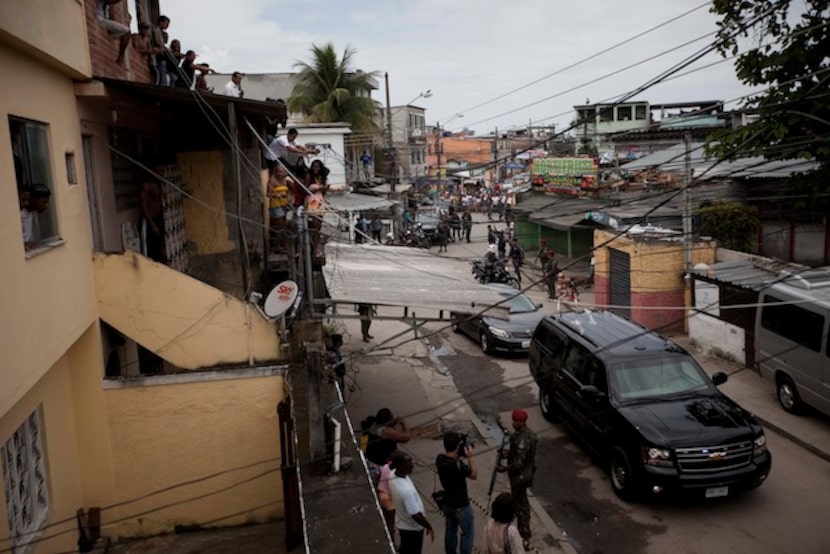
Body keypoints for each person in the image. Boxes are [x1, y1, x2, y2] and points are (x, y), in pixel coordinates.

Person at [497, 409, 537, 551]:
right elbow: (517, 453)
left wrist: (506, 468)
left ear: (521, 421)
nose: (513, 423)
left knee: (521, 506)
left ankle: (523, 536)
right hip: (524, 475)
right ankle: (522, 534)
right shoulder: (524, 434)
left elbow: (519, 462)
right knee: (521, 504)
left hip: (520, 477)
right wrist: (508, 454)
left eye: (515, 420)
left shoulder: (522, 439)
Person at [436, 432, 477, 554]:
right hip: (462, 505)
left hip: (448, 503)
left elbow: (452, 457)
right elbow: (474, 475)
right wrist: (469, 457)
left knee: (450, 531)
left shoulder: (440, 459)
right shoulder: (458, 465)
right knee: (467, 534)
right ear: (457, 447)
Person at [388, 453, 434, 554]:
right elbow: (416, 515)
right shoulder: (406, 491)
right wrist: (428, 526)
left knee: (406, 548)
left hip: (402, 522)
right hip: (412, 528)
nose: (412, 465)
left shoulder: (392, 474)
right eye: (408, 464)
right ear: (400, 466)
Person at [95, 0, 131, 67]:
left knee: (126, 33)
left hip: (105, 20)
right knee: (126, 31)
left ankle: (120, 59)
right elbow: (108, 1)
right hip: (100, 19)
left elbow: (111, 14)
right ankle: (120, 59)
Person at [139, 170, 165, 262]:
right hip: (149, 221)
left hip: (157, 219)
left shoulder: (160, 185)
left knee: (158, 247)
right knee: (148, 249)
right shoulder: (147, 186)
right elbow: (144, 206)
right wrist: (152, 224)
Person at [267, 165, 292, 253]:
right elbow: (268, 194)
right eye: (279, 172)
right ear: (276, 172)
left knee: (284, 226)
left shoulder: (285, 180)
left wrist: (288, 198)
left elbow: (288, 191)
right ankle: (277, 246)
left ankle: (283, 244)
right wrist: (277, 195)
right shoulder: (272, 180)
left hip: (284, 204)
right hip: (276, 205)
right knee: (280, 226)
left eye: (283, 172)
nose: (281, 174)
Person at [21, 184, 51, 251]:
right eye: (43, 202)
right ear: (32, 200)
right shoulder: (20, 215)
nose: (46, 206)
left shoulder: (32, 213)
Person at [149, 15, 171, 85]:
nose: (167, 26)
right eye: (166, 23)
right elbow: (159, 43)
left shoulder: (161, 33)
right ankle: (162, 85)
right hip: (157, 55)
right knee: (160, 72)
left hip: (160, 54)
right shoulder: (157, 31)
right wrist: (165, 48)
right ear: (161, 23)